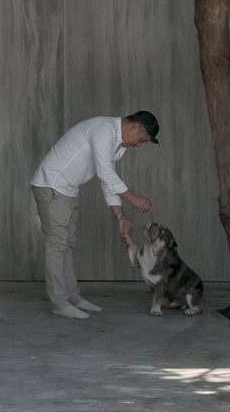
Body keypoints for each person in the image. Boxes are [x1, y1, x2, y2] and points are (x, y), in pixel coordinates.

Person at [30, 110, 159, 318]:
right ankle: (59, 303)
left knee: (67, 245)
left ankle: (73, 297)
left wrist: (120, 217)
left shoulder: (117, 144)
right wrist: (133, 198)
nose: (138, 145)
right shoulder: (104, 130)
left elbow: (107, 180)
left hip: (68, 189)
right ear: (135, 127)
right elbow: (105, 172)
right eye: (140, 141)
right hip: (52, 185)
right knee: (57, 245)